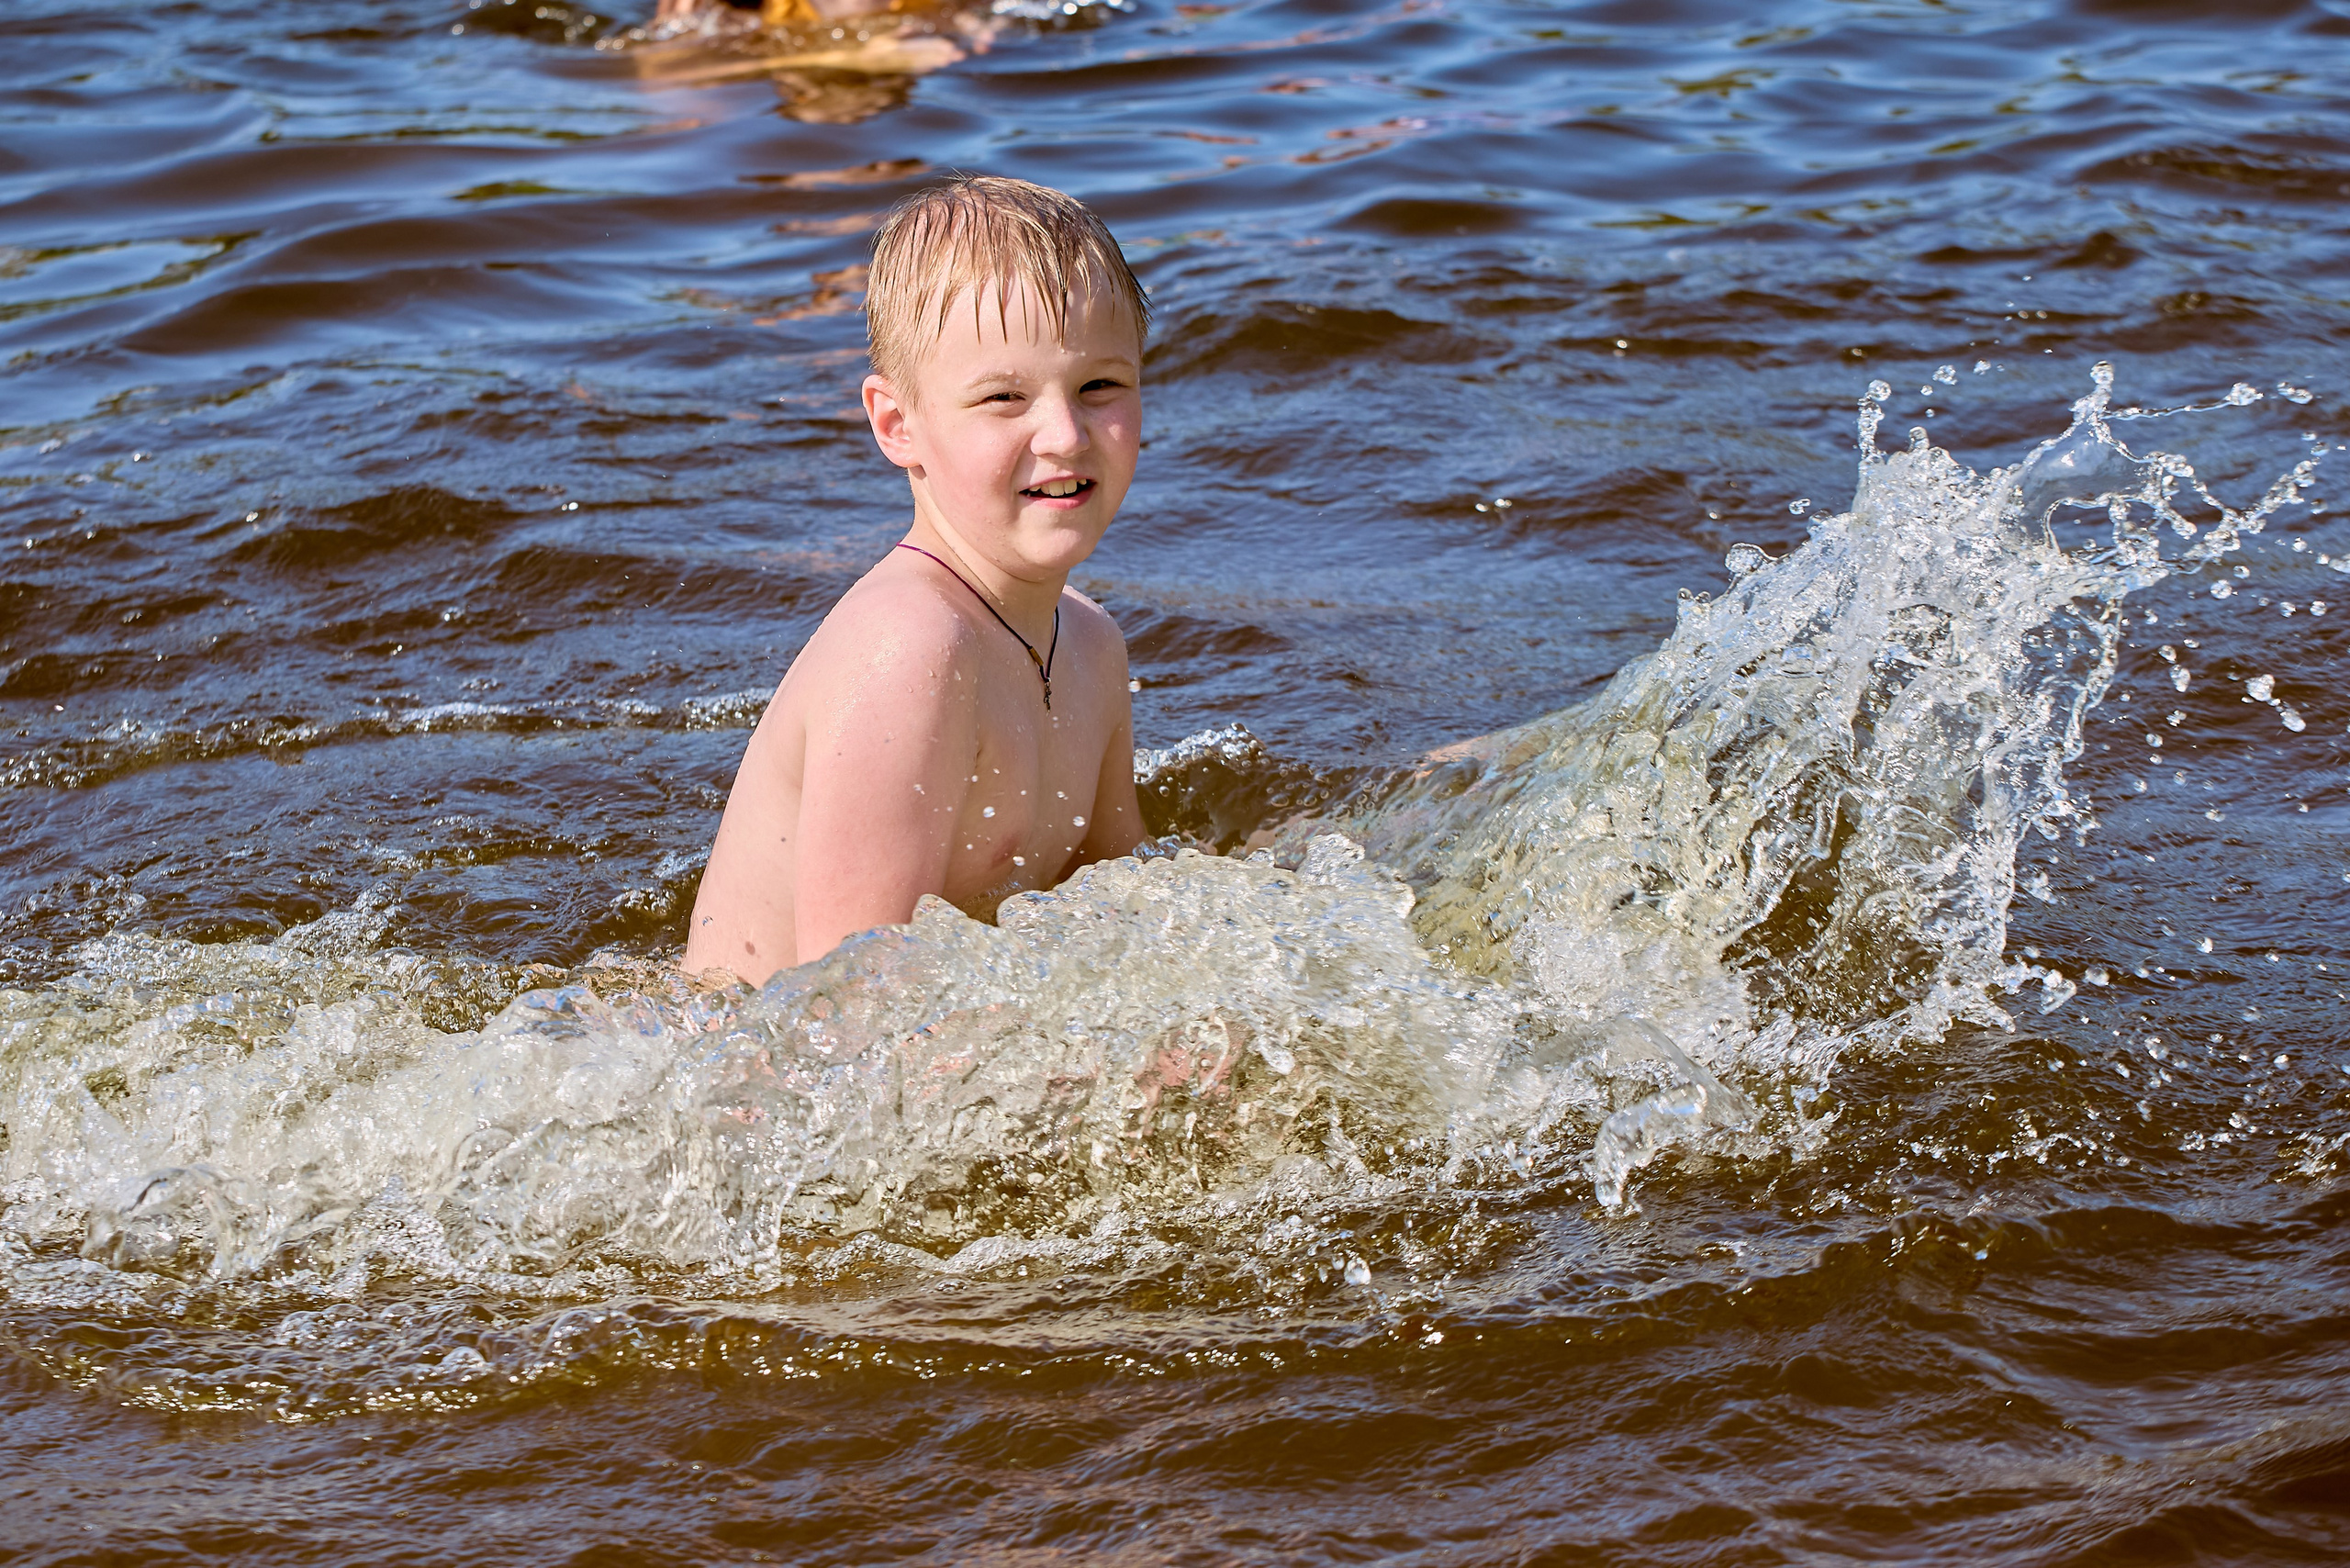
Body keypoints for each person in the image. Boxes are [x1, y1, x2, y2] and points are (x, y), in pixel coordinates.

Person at [683, 176, 1151, 985]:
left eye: (1099, 387)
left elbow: (1136, 897)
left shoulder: (1089, 641)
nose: (1066, 434)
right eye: (1004, 397)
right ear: (898, 425)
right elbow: (849, 1007)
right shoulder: (908, 650)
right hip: (748, 1083)